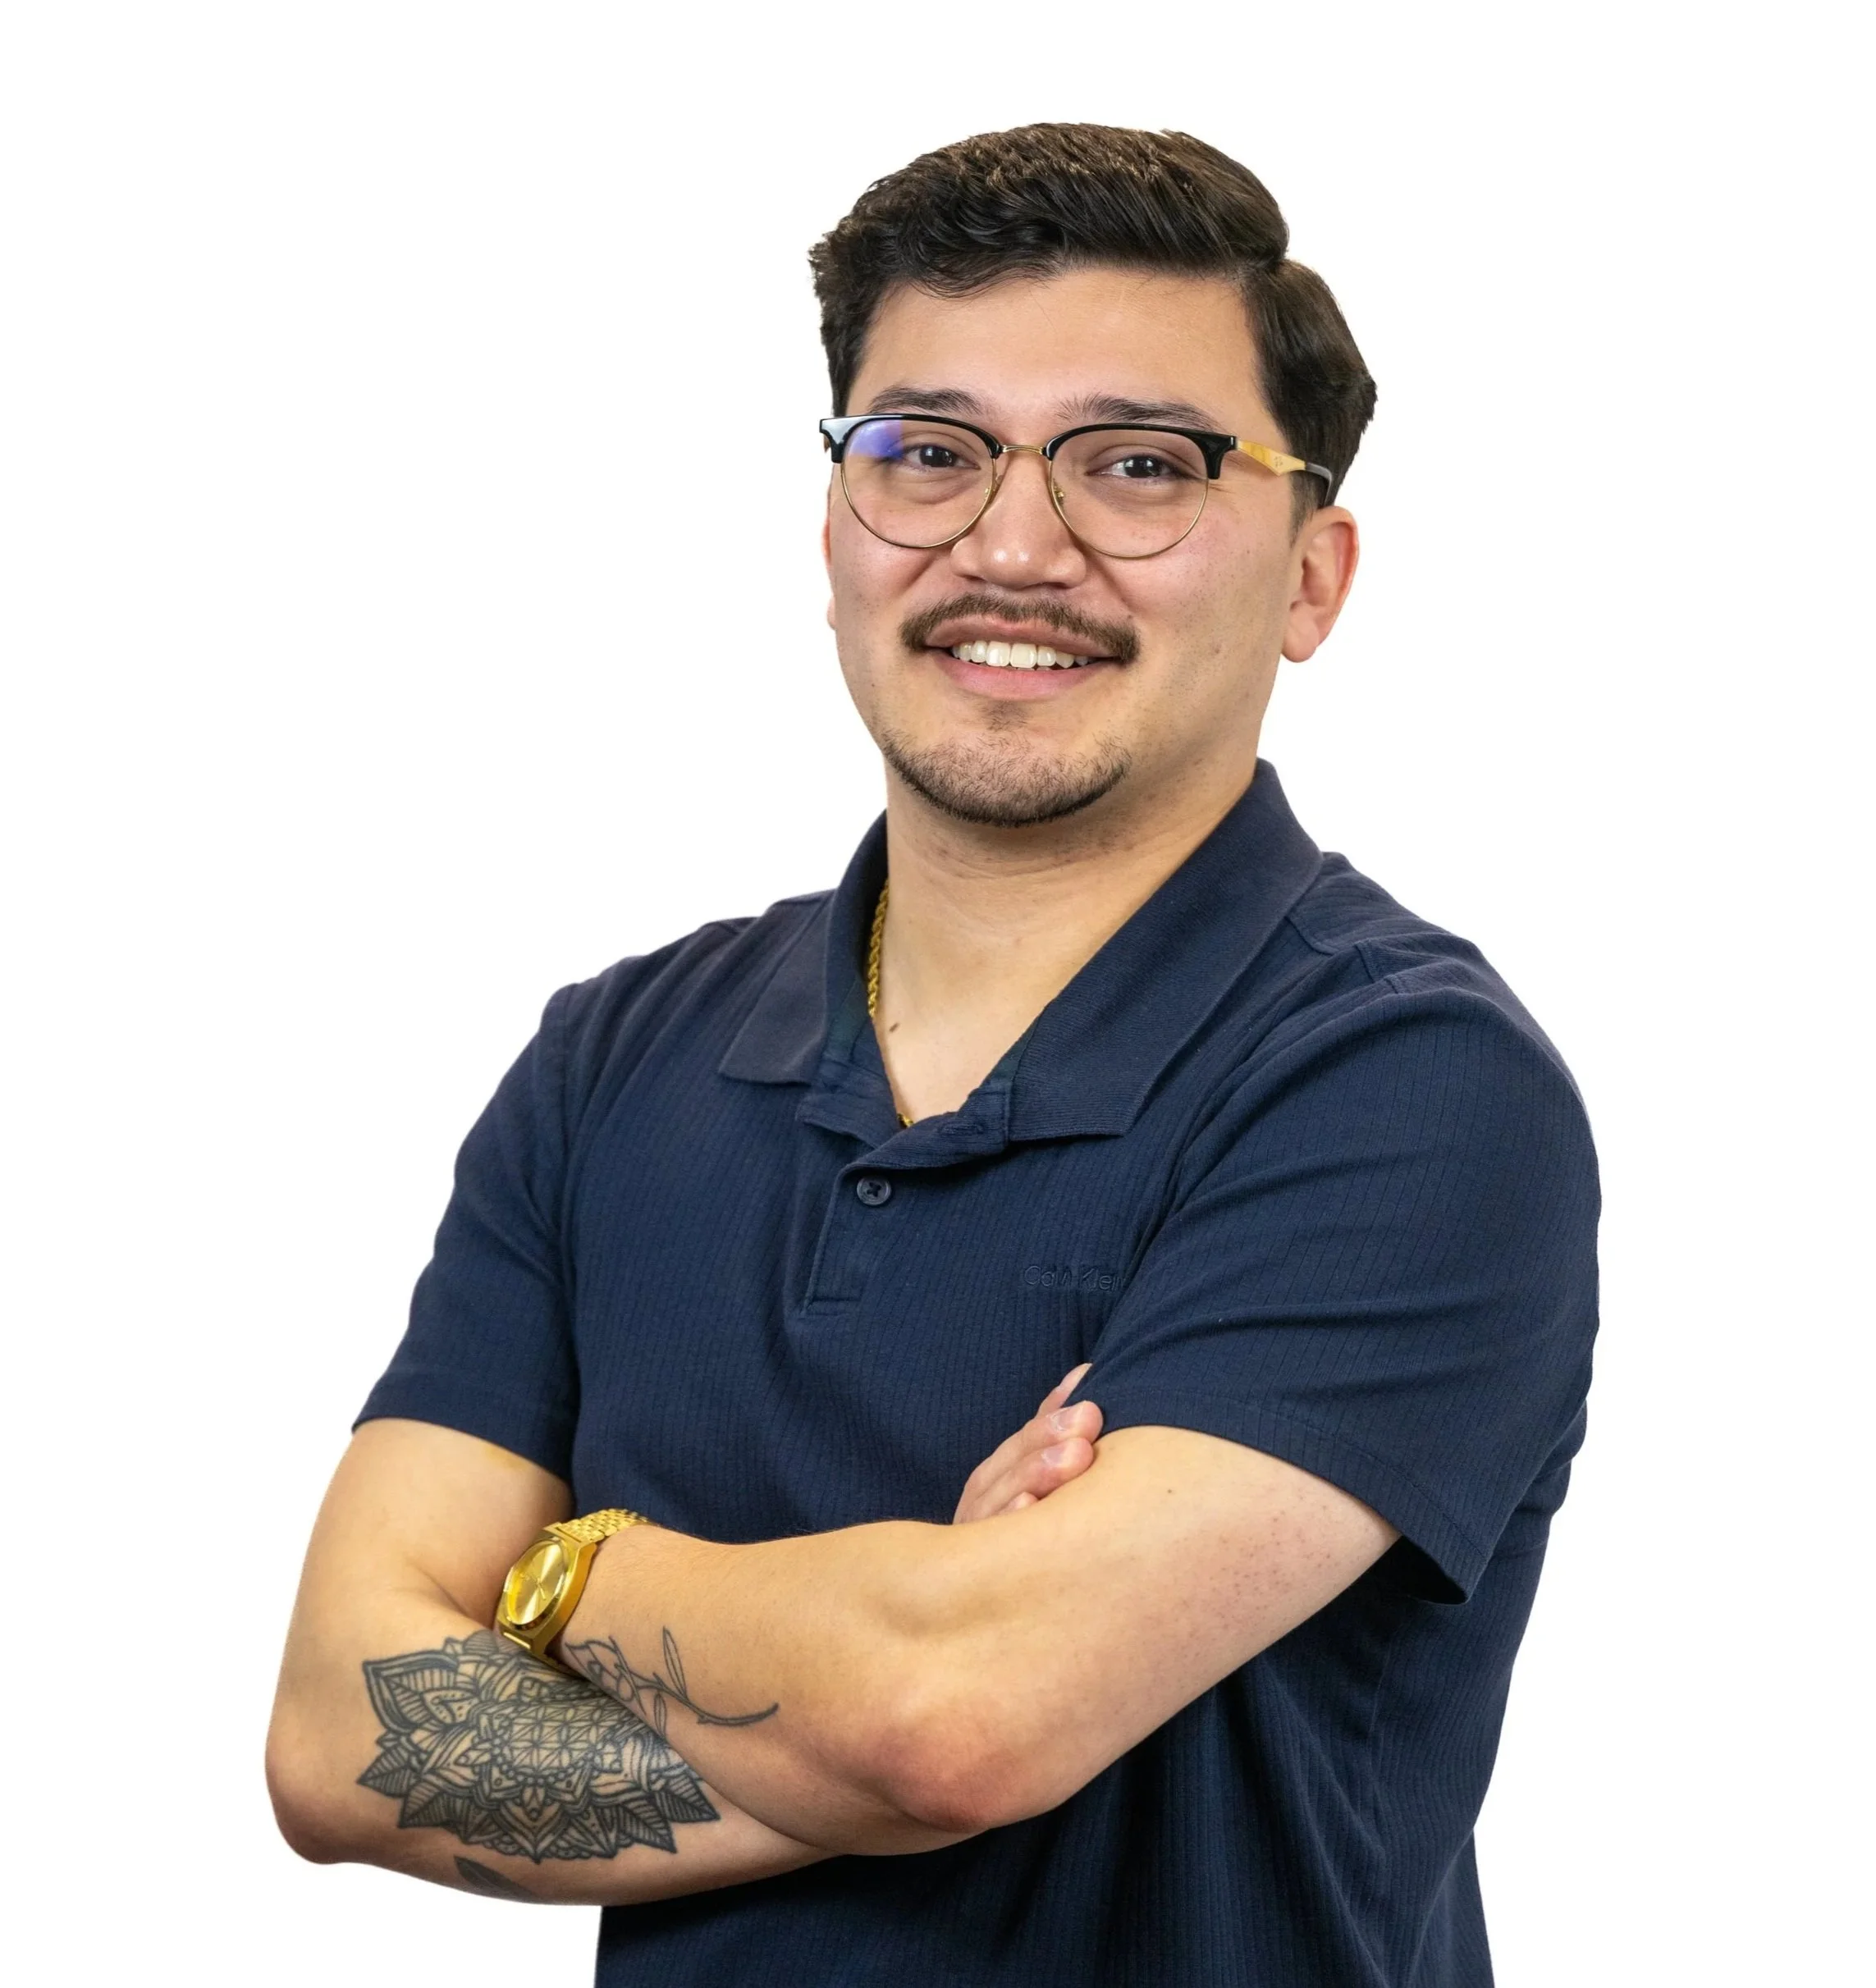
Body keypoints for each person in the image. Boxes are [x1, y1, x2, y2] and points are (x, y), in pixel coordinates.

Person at [268, 123, 1599, 1988]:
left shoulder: (1403, 1083)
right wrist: (887, 1678)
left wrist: (569, 1579)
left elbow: (958, 1715)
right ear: (836, 519)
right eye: (928, 452)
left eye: (1140, 465)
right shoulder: (612, 1063)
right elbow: (339, 1732)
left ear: (1313, 573)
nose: (1011, 544)